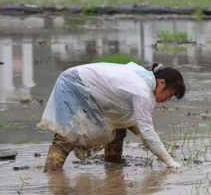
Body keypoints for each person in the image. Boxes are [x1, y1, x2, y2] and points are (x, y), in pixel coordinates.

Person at [39, 62, 185, 172]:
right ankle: (52, 179)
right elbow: (146, 131)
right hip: (74, 85)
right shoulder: (142, 92)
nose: (168, 99)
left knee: (120, 124)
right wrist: (171, 163)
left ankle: (113, 168)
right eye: (170, 94)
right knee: (66, 137)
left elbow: (136, 125)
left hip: (82, 81)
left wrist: (161, 151)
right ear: (161, 83)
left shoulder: (141, 75)